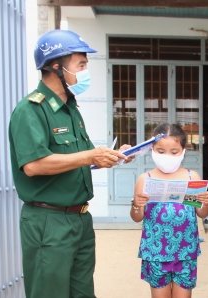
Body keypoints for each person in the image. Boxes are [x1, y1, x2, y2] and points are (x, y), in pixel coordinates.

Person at [9, 29, 133, 298]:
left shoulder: (70, 109)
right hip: (48, 221)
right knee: (49, 293)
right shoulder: (31, 109)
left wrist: (113, 155)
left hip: (79, 219)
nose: (86, 71)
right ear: (56, 66)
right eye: (81, 65)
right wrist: (90, 156)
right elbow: (33, 165)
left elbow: (81, 160)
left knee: (82, 293)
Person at [130, 123, 208, 298]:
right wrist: (136, 204)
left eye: (174, 152)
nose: (167, 156)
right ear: (152, 150)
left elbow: (201, 214)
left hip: (185, 251)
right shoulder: (146, 179)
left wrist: (206, 203)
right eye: (160, 151)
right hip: (155, 252)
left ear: (183, 151)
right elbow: (137, 217)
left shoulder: (192, 178)